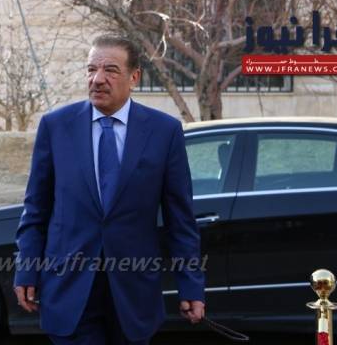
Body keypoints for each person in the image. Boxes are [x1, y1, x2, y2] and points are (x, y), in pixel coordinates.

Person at [14, 35, 205, 344]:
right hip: (69, 289)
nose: (98, 79)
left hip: (134, 292)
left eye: (110, 70)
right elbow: (36, 209)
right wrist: (26, 269)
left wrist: (191, 285)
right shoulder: (56, 127)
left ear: (134, 77)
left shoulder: (164, 131)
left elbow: (180, 220)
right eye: (91, 70)